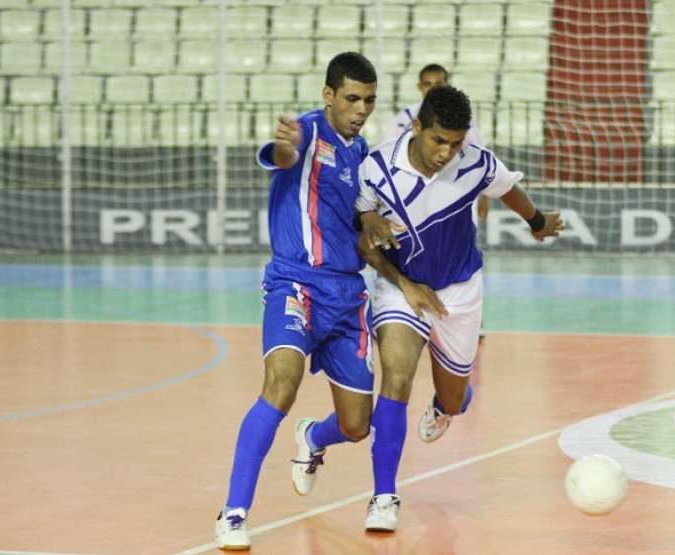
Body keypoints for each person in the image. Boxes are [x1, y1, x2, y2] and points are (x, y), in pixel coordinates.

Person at [355, 85, 564, 532]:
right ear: (417, 127)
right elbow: (362, 235)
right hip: (401, 288)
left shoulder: (475, 162)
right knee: (395, 377)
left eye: (455, 143)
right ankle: (383, 497)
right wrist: (375, 234)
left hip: (460, 293)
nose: (446, 153)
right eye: (438, 141)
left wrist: (536, 222)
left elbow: (508, 189)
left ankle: (446, 404)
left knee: (454, 399)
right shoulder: (377, 168)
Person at [213, 52, 380, 551]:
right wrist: (286, 149)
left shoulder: (362, 151)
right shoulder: (307, 131)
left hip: (347, 297)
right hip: (296, 285)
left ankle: (312, 438)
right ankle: (233, 513)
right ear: (328, 96)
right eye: (352, 98)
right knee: (281, 385)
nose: (361, 109)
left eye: (370, 100)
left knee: (357, 425)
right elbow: (284, 156)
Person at [385, 63, 489, 334]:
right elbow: (389, 155)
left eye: (438, 84)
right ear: (420, 87)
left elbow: (479, 156)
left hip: (457, 195)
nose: (432, 88)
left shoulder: (464, 119)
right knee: (412, 251)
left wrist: (485, 196)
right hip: (415, 199)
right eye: (428, 84)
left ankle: (469, 320)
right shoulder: (404, 117)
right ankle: (402, 313)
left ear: (446, 86)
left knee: (463, 253)